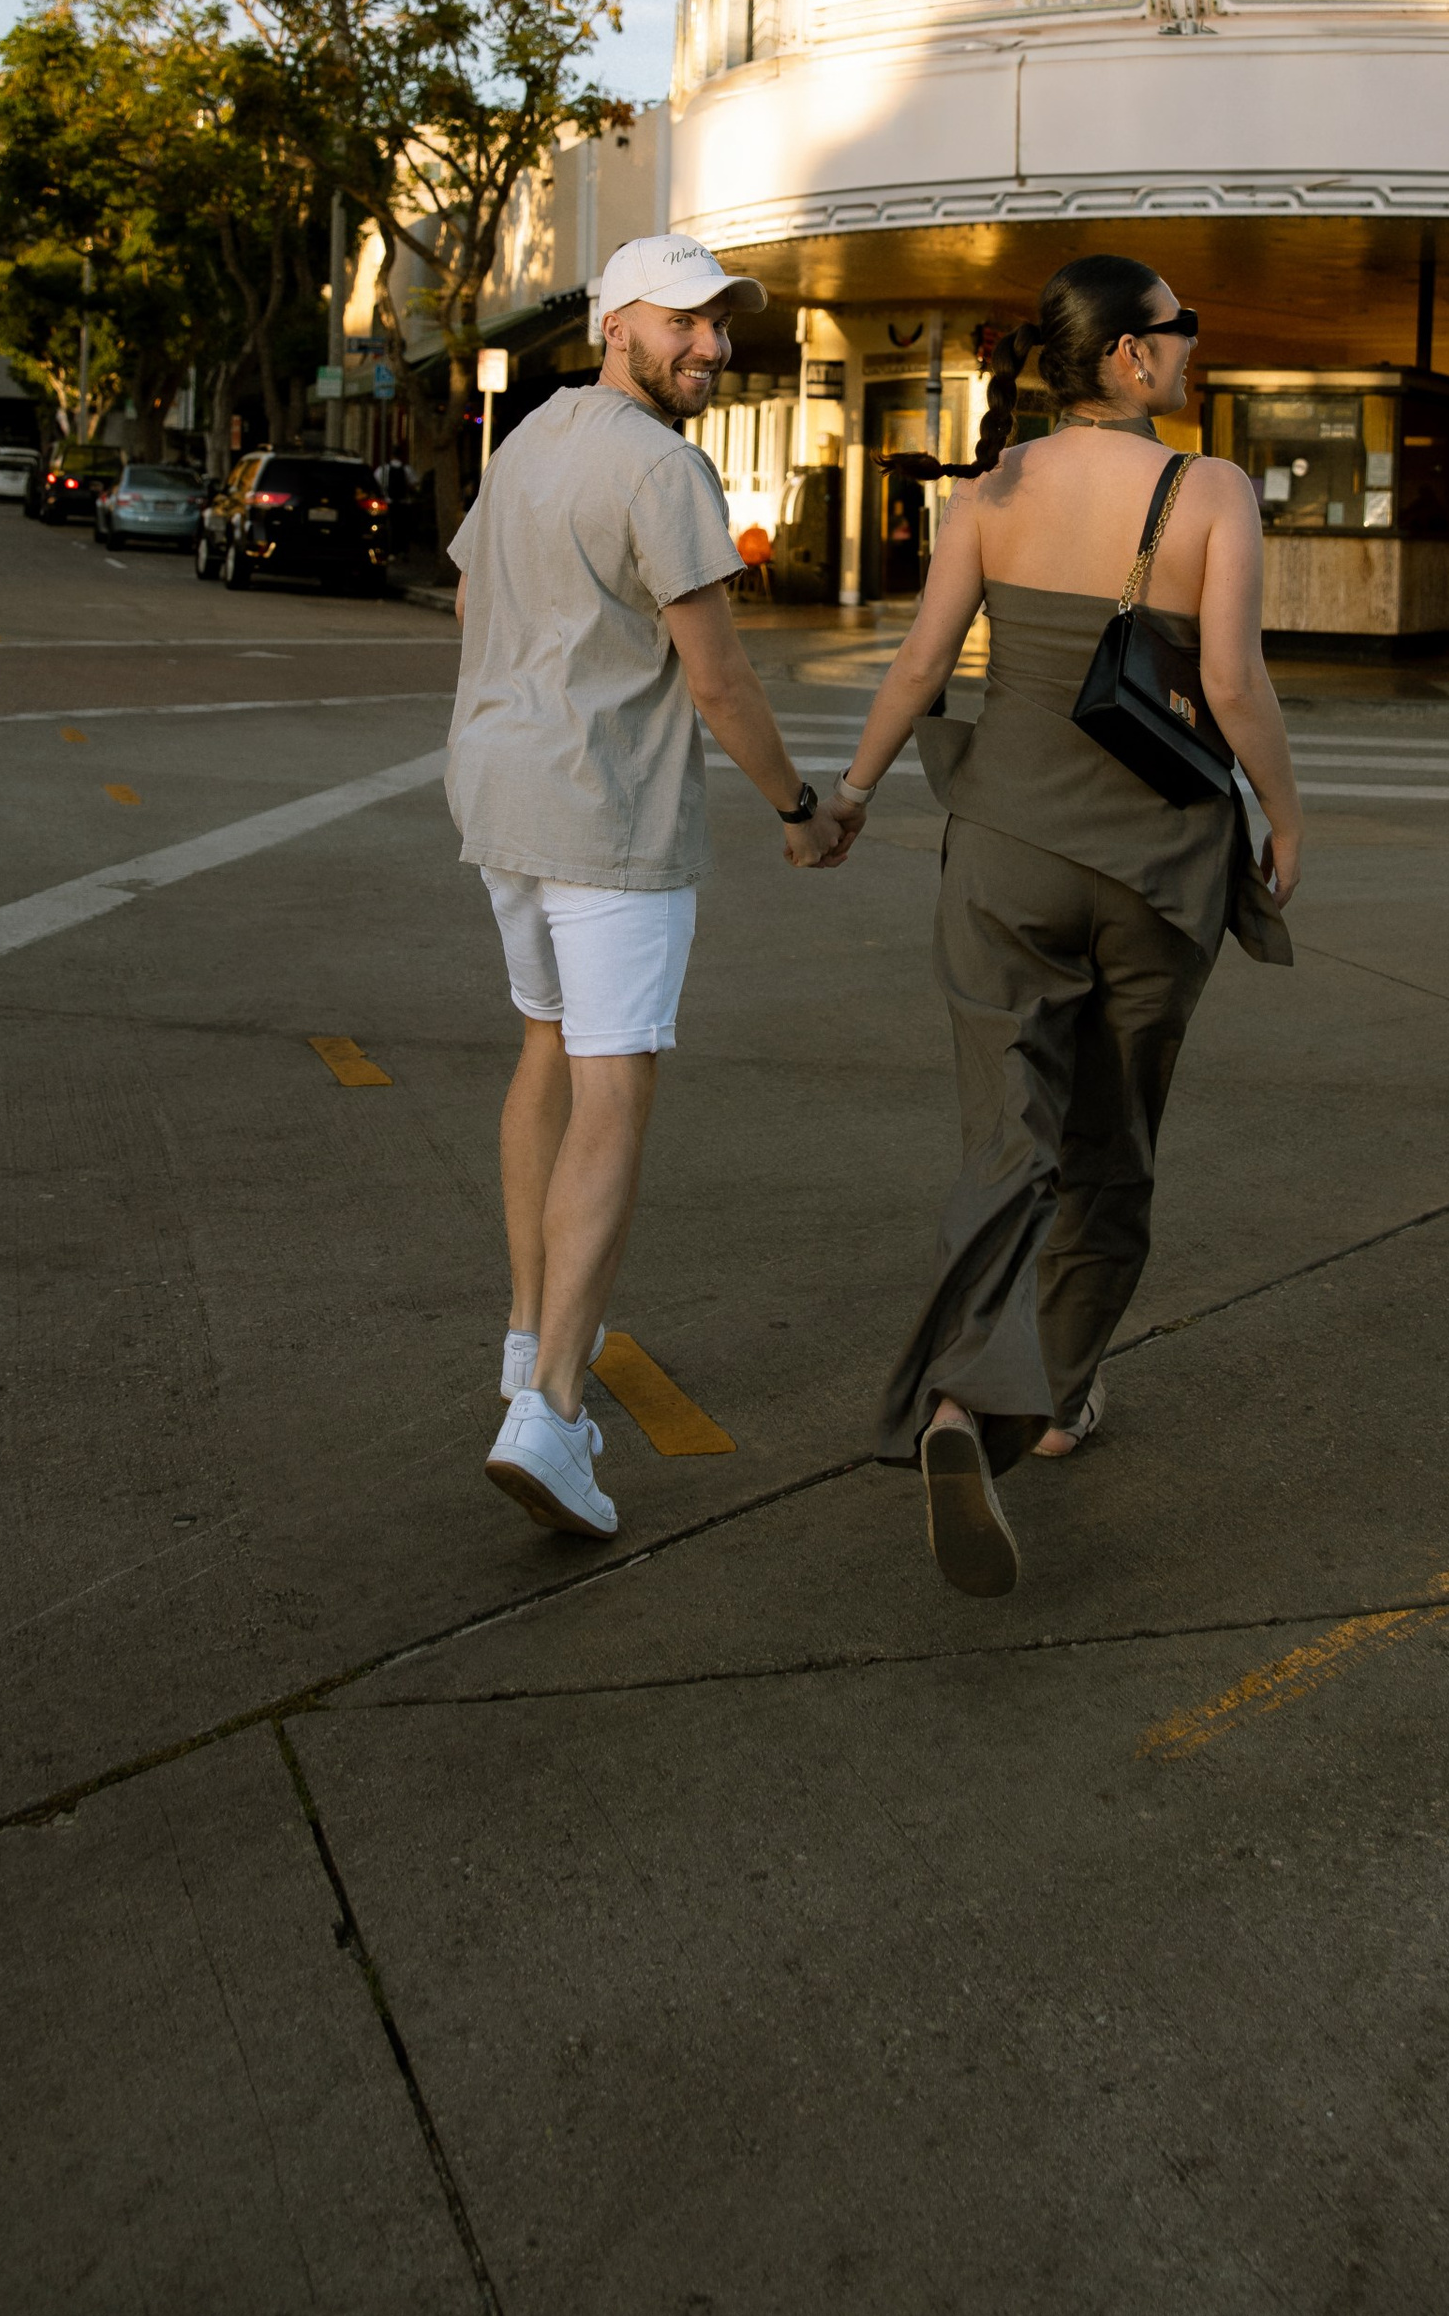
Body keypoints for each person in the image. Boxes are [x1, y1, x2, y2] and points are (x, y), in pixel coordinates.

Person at [821, 253, 1305, 1597]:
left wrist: (853, 793)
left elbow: (921, 663)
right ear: (1130, 360)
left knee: (1005, 1138)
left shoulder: (987, 496)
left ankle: (964, 1404)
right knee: (1112, 1139)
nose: (1194, 343)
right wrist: (1285, 808)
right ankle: (1062, 1391)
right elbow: (1232, 680)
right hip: (1157, 870)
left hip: (1003, 855)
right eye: (1180, 326)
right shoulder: (1209, 491)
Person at [448, 232, 856, 1541]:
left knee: (546, 1049)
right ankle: (557, 1410)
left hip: (500, 796)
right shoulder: (662, 468)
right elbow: (720, 679)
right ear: (616, 319)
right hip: (607, 809)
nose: (712, 345)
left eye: (722, 325)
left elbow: (469, 606)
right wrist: (802, 809)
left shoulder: (528, 441)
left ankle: (527, 1347)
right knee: (617, 1083)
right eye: (687, 320)